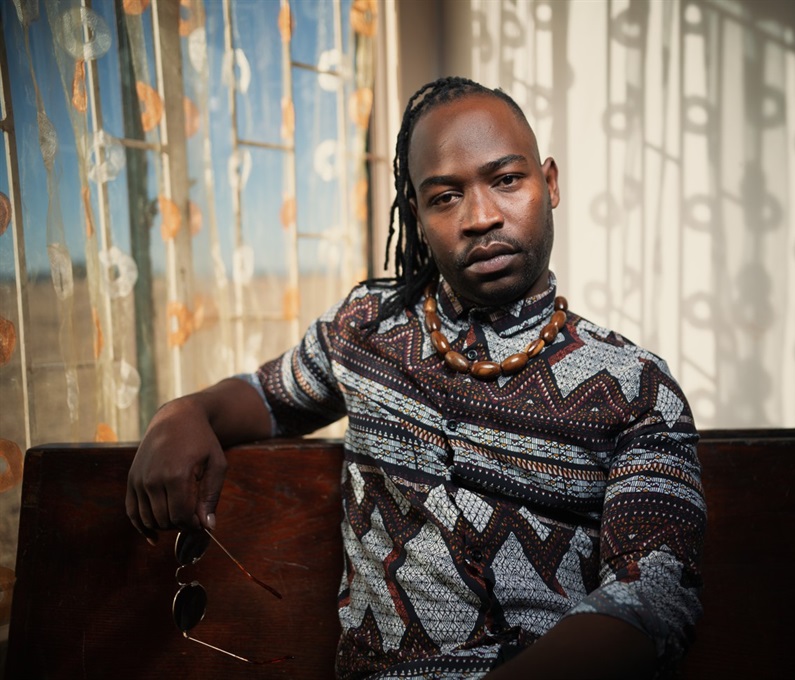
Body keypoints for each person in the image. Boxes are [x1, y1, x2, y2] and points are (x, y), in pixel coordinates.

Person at [127, 76, 706, 679]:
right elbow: (268, 397)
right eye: (446, 197)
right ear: (418, 216)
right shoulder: (367, 328)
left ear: (550, 183)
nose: (481, 217)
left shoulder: (636, 387)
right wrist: (184, 413)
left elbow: (652, 600)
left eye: (507, 180)